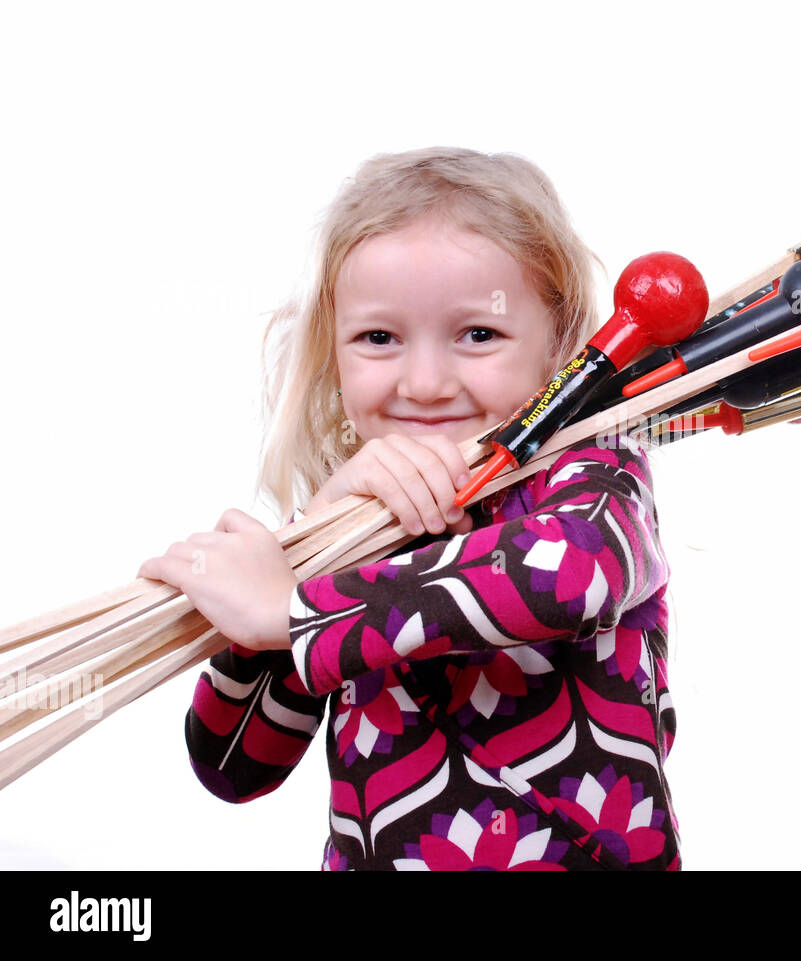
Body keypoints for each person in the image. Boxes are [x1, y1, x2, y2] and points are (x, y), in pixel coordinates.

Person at [136, 146, 681, 870]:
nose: (424, 383)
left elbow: (565, 578)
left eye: (478, 333)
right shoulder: (351, 527)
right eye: (379, 337)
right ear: (334, 353)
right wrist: (307, 544)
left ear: (557, 346)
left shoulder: (592, 475)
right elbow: (233, 764)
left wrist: (294, 611)